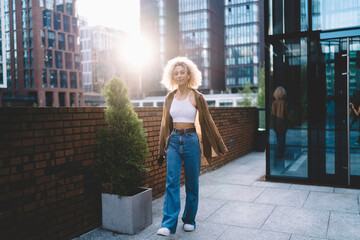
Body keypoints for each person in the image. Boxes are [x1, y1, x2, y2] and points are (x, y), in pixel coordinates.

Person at [157, 57, 228, 237]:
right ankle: (168, 224)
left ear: (189, 75)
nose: (179, 75)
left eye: (182, 72)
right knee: (171, 182)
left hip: (191, 141)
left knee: (191, 183)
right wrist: (160, 150)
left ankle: (189, 219)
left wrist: (219, 146)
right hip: (173, 141)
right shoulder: (169, 97)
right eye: (176, 73)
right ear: (172, 76)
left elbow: (208, 122)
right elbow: (165, 125)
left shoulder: (197, 97)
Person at [271, 86, 291, 163]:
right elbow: (287, 114)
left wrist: (273, 125)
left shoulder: (274, 103)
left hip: (276, 123)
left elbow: (272, 115)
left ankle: (279, 154)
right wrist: (291, 122)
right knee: (282, 139)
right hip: (283, 123)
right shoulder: (285, 103)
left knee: (278, 139)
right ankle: (279, 154)